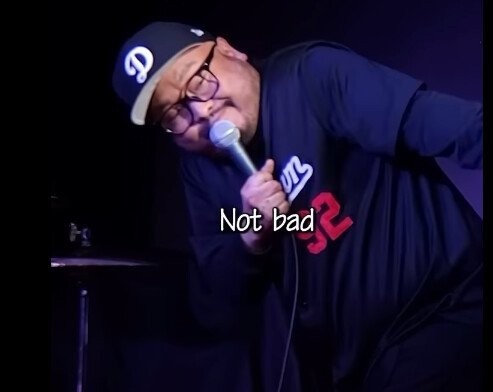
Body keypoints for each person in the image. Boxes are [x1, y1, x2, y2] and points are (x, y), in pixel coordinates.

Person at [112, 21, 483, 392]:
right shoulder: (202, 172)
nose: (201, 110)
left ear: (228, 51)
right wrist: (251, 237)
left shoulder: (312, 77)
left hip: (446, 311)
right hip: (354, 365)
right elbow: (218, 305)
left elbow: (460, 128)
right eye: (173, 113)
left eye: (197, 80)